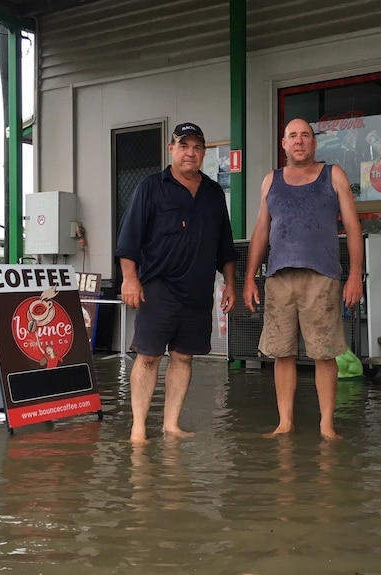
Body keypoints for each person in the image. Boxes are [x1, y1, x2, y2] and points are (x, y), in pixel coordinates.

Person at [116, 122, 238, 444]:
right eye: (184, 146)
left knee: (184, 357)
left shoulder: (213, 193)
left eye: (197, 147)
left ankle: (171, 424)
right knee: (149, 357)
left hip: (197, 292)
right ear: (172, 149)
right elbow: (129, 238)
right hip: (158, 288)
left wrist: (230, 284)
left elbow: (225, 245)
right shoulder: (151, 187)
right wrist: (130, 279)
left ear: (203, 153)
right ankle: (138, 428)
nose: (191, 153)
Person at [243, 118, 364, 440]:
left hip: (323, 277)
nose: (299, 141)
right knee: (282, 353)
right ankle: (285, 422)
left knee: (325, 353)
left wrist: (355, 276)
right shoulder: (271, 180)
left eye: (305, 136)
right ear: (283, 144)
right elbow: (260, 230)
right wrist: (249, 278)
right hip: (279, 277)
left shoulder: (332, 174)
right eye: (292, 136)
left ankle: (327, 425)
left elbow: (352, 226)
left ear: (314, 143)